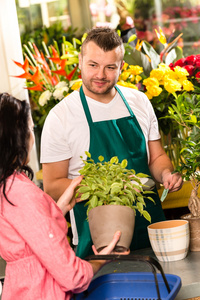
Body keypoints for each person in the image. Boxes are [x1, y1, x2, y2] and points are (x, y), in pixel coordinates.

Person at [40, 27, 183, 259]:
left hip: (150, 226)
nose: (100, 75)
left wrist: (166, 173)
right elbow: (53, 185)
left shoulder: (139, 101)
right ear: (80, 61)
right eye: (93, 65)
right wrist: (108, 186)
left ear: (122, 67)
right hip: (98, 238)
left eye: (110, 67)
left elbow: (156, 157)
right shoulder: (61, 116)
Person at [0, 93, 128, 300]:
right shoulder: (20, 192)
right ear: (17, 137)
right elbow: (72, 276)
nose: (32, 137)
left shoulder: (6, 185)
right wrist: (101, 260)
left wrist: (57, 209)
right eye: (31, 129)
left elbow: (28, 234)